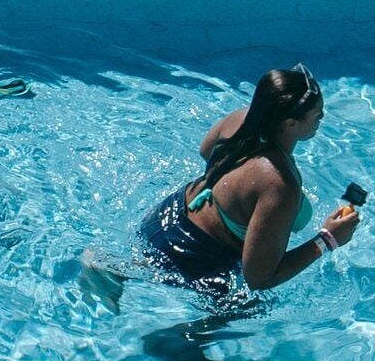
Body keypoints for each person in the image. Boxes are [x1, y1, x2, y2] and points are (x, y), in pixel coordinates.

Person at [131, 66, 360, 299]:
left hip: (167, 215)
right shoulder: (279, 184)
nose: (322, 118)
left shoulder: (242, 118)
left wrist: (232, 193)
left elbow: (205, 150)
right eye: (317, 114)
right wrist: (327, 239)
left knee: (135, 268)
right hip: (193, 253)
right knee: (244, 313)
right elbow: (259, 278)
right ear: (291, 123)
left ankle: (108, 271)